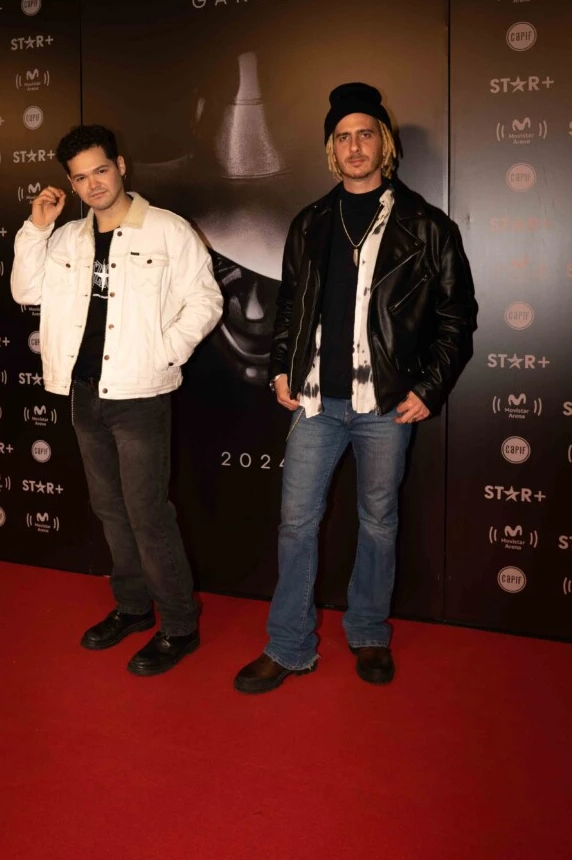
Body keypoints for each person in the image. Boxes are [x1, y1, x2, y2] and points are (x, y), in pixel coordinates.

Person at [234, 83, 477, 693]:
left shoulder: (427, 225)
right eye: (343, 137)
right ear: (331, 149)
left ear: (384, 142)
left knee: (379, 522)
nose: (354, 146)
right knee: (295, 524)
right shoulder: (311, 223)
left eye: (365, 133)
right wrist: (282, 366)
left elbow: (457, 316)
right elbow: (290, 305)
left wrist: (431, 386)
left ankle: (369, 631)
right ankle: (288, 645)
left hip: (385, 404)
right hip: (317, 401)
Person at [11, 124, 223, 676]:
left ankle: (179, 624)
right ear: (71, 184)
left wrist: (165, 352)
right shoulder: (64, 238)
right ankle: (132, 607)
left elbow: (205, 300)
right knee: (110, 510)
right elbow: (25, 290)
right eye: (80, 178)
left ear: (121, 166)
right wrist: (37, 228)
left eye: (100, 170)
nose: (93, 184)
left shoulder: (167, 230)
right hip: (83, 394)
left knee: (148, 513)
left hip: (139, 395)